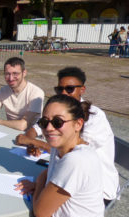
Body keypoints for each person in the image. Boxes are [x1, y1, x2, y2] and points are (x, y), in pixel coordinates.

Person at [0, 94, 105, 217]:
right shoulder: (60, 147)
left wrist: (38, 185)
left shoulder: (76, 160)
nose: (49, 128)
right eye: (45, 122)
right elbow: (48, 172)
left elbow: (41, 212)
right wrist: (42, 183)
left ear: (78, 124)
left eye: (58, 122)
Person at [15, 67, 119, 202]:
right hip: (67, 178)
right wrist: (30, 141)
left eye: (69, 89)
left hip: (95, 189)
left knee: (35, 206)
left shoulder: (95, 116)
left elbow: (71, 150)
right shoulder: (59, 109)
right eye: (60, 89)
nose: (64, 93)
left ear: (82, 90)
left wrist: (34, 142)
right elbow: (36, 129)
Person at [0, 57, 44, 131]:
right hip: (10, 131)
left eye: (15, 73)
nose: (11, 78)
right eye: (7, 74)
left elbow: (23, 125)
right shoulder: (4, 90)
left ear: (24, 73)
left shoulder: (36, 93)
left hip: (31, 135)